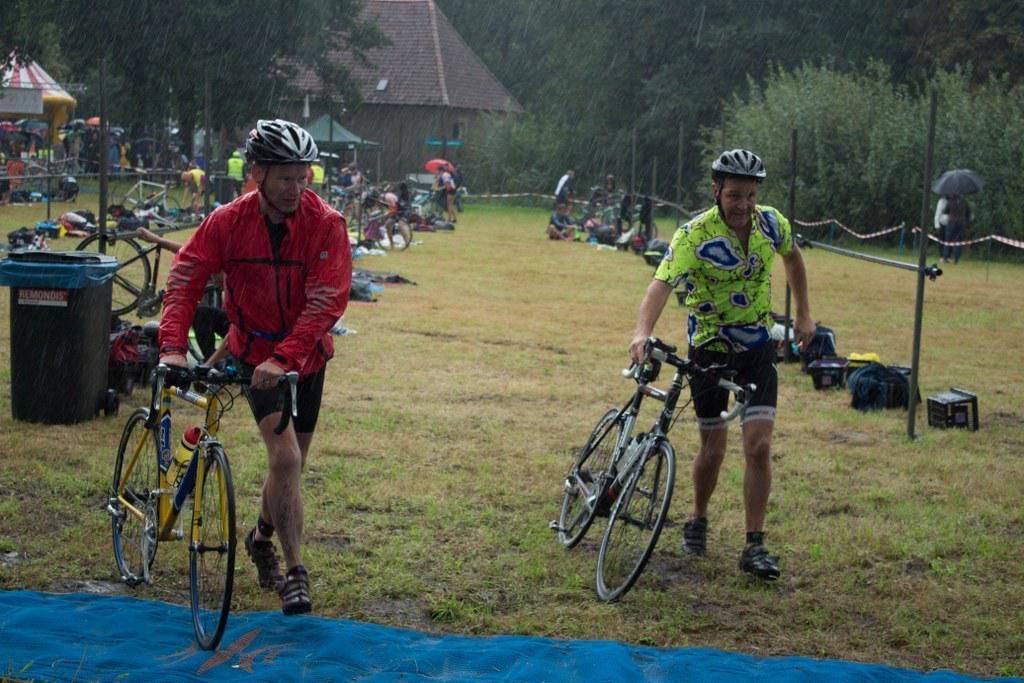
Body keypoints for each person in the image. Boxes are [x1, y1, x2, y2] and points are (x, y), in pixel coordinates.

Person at [158, 118, 352, 615]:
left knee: (291, 465)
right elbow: (185, 278)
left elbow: (328, 301)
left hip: (306, 357)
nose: (296, 188)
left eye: (303, 176)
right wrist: (173, 346)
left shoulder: (325, 223)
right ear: (258, 173)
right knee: (285, 459)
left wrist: (286, 357)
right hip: (252, 351)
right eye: (286, 177)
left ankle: (261, 538)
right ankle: (295, 571)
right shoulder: (227, 221)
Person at [628, 149, 814, 581]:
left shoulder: (771, 223)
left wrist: (803, 312)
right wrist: (641, 332)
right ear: (716, 192)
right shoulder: (693, 236)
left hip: (757, 347)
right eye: (734, 195)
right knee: (713, 447)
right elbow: (660, 286)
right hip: (710, 348)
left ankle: (754, 544)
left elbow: (794, 258)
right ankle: (698, 516)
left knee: (759, 446)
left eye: (750, 195)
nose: (743, 205)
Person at [135, 226, 229, 361]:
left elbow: (237, 335)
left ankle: (216, 363)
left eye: (216, 273)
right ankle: (215, 363)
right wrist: (157, 240)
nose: (212, 277)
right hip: (233, 328)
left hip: (252, 336)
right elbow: (189, 253)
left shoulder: (243, 282)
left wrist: (210, 363)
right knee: (202, 313)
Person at [934, 193, 970, 264]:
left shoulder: (950, 202)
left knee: (947, 241)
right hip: (961, 223)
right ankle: (956, 259)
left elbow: (945, 211)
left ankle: (944, 257)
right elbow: (968, 213)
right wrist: (966, 221)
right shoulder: (964, 202)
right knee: (958, 241)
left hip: (952, 222)